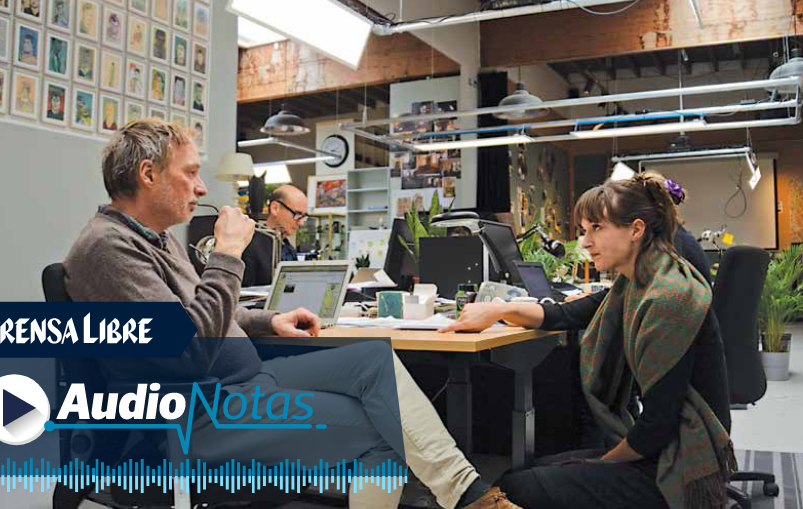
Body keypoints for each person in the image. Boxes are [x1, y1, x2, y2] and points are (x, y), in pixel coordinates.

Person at [64, 119, 521, 509]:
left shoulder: (156, 237)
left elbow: (201, 314)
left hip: (241, 384)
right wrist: (227, 253)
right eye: (191, 173)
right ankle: (473, 498)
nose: (201, 187)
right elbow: (187, 350)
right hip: (200, 416)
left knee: (374, 358)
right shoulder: (108, 248)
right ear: (148, 174)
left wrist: (267, 321)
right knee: (386, 428)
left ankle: (468, 493)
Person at [441, 173, 735, 509]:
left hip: (682, 463)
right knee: (526, 471)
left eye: (596, 228)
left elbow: (657, 426)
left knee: (513, 489)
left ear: (636, 230)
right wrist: (500, 309)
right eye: (584, 230)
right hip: (665, 445)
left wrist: (599, 464)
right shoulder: (639, 283)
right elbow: (566, 314)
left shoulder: (668, 298)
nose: (585, 242)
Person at [239, 185, 305, 287]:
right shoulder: (249, 245)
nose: (301, 223)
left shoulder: (288, 248)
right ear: (275, 208)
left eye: (303, 217)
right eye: (297, 214)